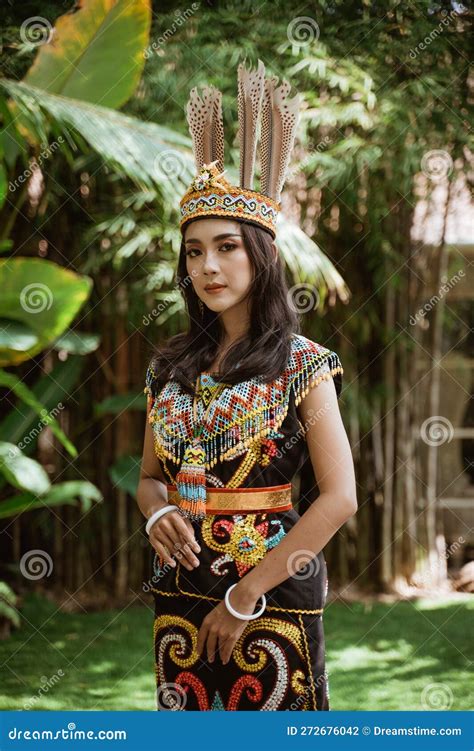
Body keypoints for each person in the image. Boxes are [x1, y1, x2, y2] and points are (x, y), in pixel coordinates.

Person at [137, 60, 357, 711]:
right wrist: (157, 509)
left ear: (260, 255)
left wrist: (244, 594)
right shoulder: (168, 368)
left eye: (227, 246)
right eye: (195, 250)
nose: (207, 265)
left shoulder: (303, 363)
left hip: (270, 595)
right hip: (179, 591)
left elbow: (339, 498)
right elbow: (150, 475)